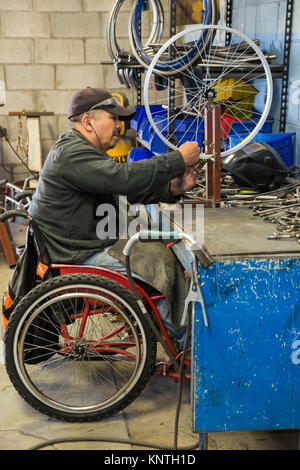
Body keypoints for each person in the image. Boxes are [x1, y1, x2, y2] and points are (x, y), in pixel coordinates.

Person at [28, 87, 200, 348]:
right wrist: (177, 160)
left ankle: (169, 330)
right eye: (114, 119)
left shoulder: (79, 151)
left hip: (81, 245)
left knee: (157, 253)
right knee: (164, 265)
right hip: (77, 255)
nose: (120, 127)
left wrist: (171, 189)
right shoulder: (72, 155)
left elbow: (121, 189)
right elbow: (124, 178)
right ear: (88, 122)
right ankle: (186, 343)